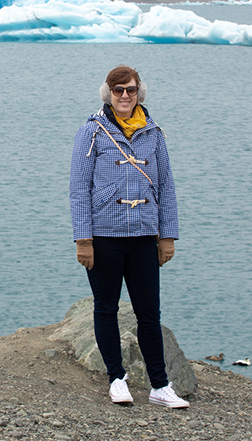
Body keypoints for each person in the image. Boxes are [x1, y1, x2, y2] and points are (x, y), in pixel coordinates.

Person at [69, 65, 189, 409]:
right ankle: (116, 379)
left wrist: (168, 236)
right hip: (104, 236)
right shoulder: (91, 132)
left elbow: (166, 187)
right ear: (108, 93)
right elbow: (79, 189)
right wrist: (83, 239)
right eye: (118, 90)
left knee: (149, 312)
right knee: (105, 308)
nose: (125, 96)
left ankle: (160, 386)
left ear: (140, 93)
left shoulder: (153, 134)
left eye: (131, 90)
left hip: (143, 235)